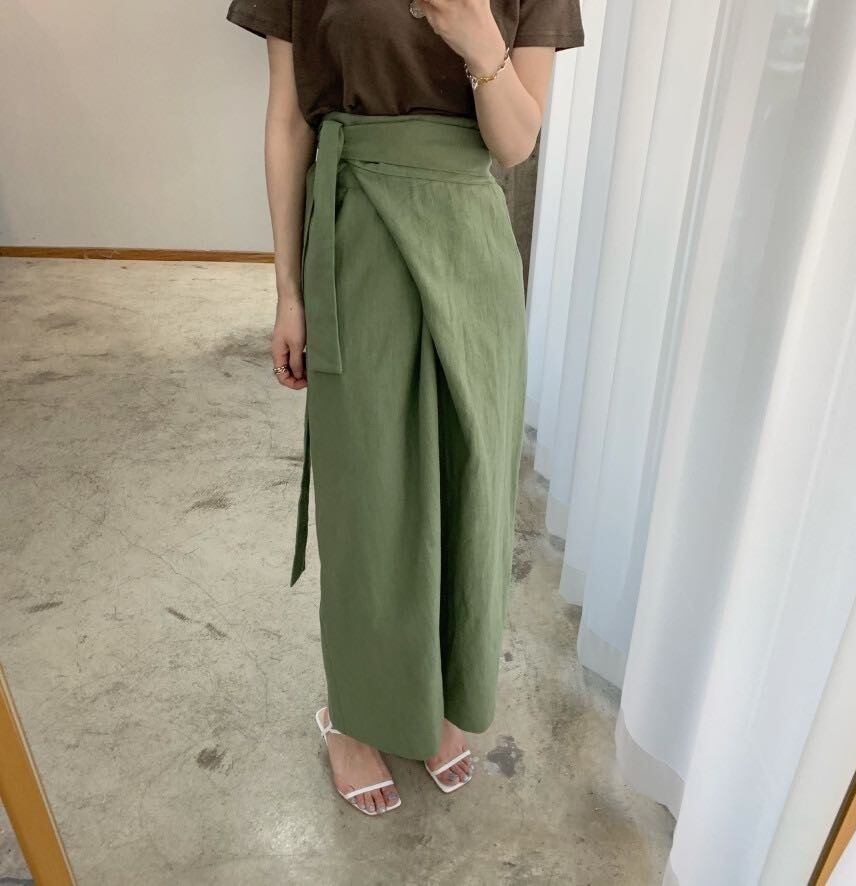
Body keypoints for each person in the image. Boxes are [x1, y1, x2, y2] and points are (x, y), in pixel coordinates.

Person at [226, 0, 584, 816]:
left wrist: (476, 34)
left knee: (468, 487)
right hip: (359, 233)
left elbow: (515, 143)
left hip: (471, 248)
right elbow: (288, 120)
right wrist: (288, 291)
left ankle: (435, 697)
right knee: (370, 495)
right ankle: (354, 713)